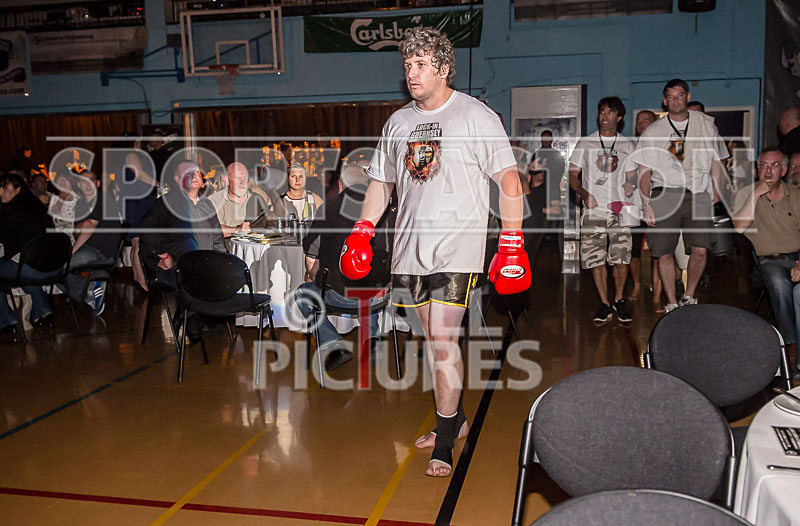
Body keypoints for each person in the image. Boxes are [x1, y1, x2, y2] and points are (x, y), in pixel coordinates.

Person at [339, 28, 527, 477]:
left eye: (421, 64)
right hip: (408, 251)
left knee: (443, 343)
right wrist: (362, 229)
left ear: (444, 68)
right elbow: (382, 184)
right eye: (407, 65)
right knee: (432, 342)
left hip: (456, 250)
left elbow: (510, 181)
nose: (412, 73)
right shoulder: (398, 122)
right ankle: (455, 417)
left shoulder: (476, 117)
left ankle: (446, 438)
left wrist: (512, 241)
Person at [633, 78, 729, 312]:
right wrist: (646, 204)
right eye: (670, 96)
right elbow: (644, 172)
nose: (675, 100)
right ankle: (672, 301)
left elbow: (718, 159)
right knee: (663, 251)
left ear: (687, 97)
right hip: (664, 193)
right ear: (665, 101)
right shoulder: (654, 131)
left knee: (700, 249)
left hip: (698, 193)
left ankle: (689, 295)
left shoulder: (706, 125)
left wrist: (717, 189)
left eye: (680, 95)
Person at [295, 157, 394, 371]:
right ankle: (372, 343)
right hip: (381, 295)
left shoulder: (328, 209)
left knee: (302, 294)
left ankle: (333, 344)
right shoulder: (387, 212)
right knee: (369, 280)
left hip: (339, 294)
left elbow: (311, 253)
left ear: (340, 184)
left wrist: (312, 275)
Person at [569, 96, 637, 323]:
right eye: (601, 111)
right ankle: (604, 303)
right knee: (595, 258)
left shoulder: (627, 146)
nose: (604, 116)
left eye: (609, 112)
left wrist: (631, 184)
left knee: (621, 258)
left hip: (620, 209)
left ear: (619, 117)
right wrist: (583, 192)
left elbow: (631, 176)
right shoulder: (586, 143)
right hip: (593, 210)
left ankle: (618, 299)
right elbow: (572, 175)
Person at [733, 147, 800, 354]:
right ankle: (789, 346)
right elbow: (739, 227)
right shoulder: (746, 193)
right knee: (780, 285)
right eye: (763, 165)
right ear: (757, 169)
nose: (768, 170)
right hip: (768, 261)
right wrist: (756, 194)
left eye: (774, 165)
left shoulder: (796, 194)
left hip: (797, 258)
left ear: (784, 170)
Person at [139, 160, 225, 289]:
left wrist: (221, 262)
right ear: (177, 179)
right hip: (182, 269)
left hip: (207, 265)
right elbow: (147, 229)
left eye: (197, 172)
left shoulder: (207, 204)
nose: (195, 176)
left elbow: (217, 238)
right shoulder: (167, 203)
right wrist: (164, 255)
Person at [62, 171, 125, 316]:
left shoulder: (102, 199)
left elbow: (88, 226)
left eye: (91, 180)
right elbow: (76, 230)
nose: (87, 184)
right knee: (52, 265)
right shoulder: (81, 203)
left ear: (97, 184)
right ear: (78, 184)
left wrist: (71, 252)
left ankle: (87, 291)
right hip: (90, 249)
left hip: (103, 252)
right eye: (83, 181)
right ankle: (89, 291)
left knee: (59, 265)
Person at [0, 173, 56, 332]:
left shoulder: (10, 210)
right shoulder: (37, 205)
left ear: (17, 190)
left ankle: (6, 321)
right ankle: (43, 312)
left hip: (30, 267)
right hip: (50, 266)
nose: (1, 192)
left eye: (5, 188)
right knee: (24, 267)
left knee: (17, 268)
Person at [629, 110, 658, 305]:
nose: (641, 124)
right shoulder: (630, 147)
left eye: (646, 120)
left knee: (659, 250)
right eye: (638, 121)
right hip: (636, 207)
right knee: (634, 250)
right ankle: (637, 284)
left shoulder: (663, 146)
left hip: (660, 205)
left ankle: (657, 292)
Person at [208, 162, 271, 239]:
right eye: (238, 178)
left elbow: (267, 225)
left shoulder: (257, 198)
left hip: (254, 248)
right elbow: (210, 230)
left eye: (245, 178)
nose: (243, 182)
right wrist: (237, 229)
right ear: (228, 180)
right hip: (227, 249)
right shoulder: (215, 200)